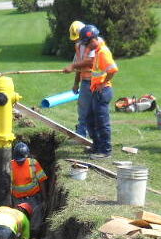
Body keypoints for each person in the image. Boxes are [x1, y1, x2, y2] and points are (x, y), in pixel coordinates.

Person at [80, 25, 118, 160]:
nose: (87, 47)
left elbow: (113, 69)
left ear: (92, 40)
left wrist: (102, 83)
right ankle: (96, 146)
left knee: (102, 122)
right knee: (90, 119)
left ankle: (105, 150)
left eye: (87, 44)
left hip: (103, 91)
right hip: (96, 91)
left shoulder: (102, 52)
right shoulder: (97, 50)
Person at [62, 20, 94, 139]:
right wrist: (76, 84)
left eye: (78, 38)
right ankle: (82, 133)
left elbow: (88, 63)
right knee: (83, 107)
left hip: (96, 82)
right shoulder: (79, 49)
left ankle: (88, 134)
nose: (77, 41)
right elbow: (78, 68)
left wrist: (74, 67)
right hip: (86, 82)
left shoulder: (93, 46)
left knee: (92, 109)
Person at [9, 142, 48, 234]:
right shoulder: (10, 165)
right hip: (18, 199)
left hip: (34, 198)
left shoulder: (33, 164)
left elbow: (42, 181)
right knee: (19, 220)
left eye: (22, 160)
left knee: (36, 218)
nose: (20, 162)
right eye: (18, 160)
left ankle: (34, 236)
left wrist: (45, 198)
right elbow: (7, 184)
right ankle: (21, 237)